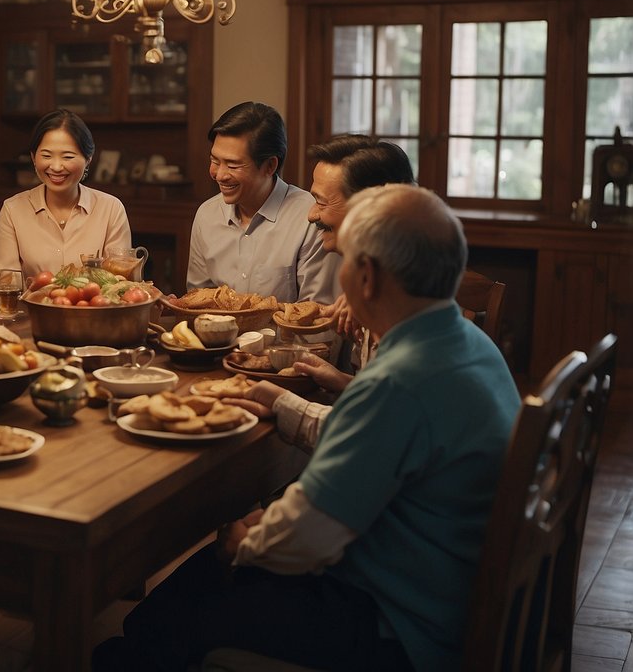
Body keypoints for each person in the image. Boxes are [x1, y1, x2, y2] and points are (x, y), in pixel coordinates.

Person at [94, 184, 521, 672]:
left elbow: (306, 539)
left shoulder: (398, 380)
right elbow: (372, 444)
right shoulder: (461, 341)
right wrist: (285, 404)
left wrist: (246, 542)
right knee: (184, 596)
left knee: (178, 611)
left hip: (397, 624)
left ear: (368, 277)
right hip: (438, 587)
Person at [289, 134, 417, 393]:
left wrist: (279, 403)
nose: (311, 215)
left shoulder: (401, 305)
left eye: (321, 202)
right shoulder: (376, 284)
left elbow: (382, 426)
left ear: (370, 210)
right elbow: (383, 397)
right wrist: (338, 379)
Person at [186, 101, 336, 303]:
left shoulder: (310, 217)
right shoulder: (207, 215)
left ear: (270, 165)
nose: (219, 175)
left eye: (232, 165)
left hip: (283, 336)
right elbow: (198, 301)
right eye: (214, 161)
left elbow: (317, 316)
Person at [0, 109, 131, 280]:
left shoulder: (111, 209)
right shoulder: (13, 210)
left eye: (68, 157)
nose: (56, 167)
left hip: (95, 307)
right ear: (34, 157)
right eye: (47, 155)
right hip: (30, 307)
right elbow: (6, 282)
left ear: (88, 159)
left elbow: (118, 282)